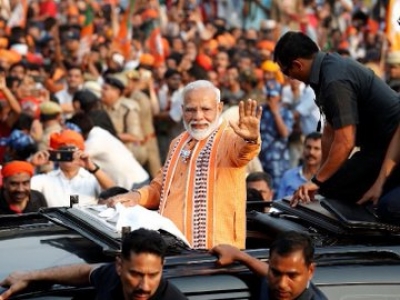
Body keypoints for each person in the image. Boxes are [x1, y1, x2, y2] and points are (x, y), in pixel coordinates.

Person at [107, 80, 262, 249]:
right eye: (190, 110)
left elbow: (244, 152)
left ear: (219, 108)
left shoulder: (229, 138)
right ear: (182, 110)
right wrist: (137, 196)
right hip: (173, 247)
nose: (198, 116)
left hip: (216, 252)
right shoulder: (178, 142)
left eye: (205, 109)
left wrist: (250, 139)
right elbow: (162, 186)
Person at [273, 31, 400, 206]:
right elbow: (329, 132)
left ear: (297, 65)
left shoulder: (334, 81)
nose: (289, 78)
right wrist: (319, 177)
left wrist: (317, 182)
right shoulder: (325, 69)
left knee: (335, 190)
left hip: (391, 145)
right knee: (328, 186)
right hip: (375, 146)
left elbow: (345, 142)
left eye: (287, 72)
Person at [0, 228, 188, 300]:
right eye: (136, 274)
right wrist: (30, 276)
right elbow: (84, 272)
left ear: (162, 267)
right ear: (119, 266)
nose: (144, 286)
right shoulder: (111, 278)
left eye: (153, 275)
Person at [211, 231, 328, 300]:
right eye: (276, 273)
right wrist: (242, 256)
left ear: (310, 271)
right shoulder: (273, 282)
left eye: (292, 276)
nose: (282, 284)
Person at [30, 129, 115, 207]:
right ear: (57, 154)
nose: (68, 155)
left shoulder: (91, 179)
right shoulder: (46, 179)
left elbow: (114, 191)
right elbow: (21, 187)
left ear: (80, 153)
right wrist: (32, 165)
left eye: (72, 152)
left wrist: (92, 167)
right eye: (64, 151)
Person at [277, 132, 322, 200]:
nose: (311, 152)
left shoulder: (326, 179)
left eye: (316, 148)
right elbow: (278, 204)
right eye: (308, 147)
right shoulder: (288, 175)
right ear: (303, 149)